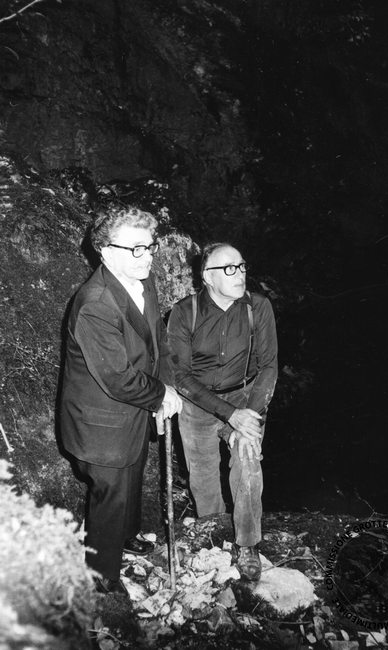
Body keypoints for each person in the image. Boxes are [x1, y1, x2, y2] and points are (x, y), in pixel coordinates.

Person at [59, 206, 182, 595]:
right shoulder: (95, 303)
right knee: (110, 493)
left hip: (133, 412)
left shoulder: (142, 280)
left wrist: (164, 388)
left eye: (150, 245)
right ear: (105, 251)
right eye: (136, 248)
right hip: (101, 422)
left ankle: (126, 538)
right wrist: (161, 395)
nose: (147, 256)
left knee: (132, 475)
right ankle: (101, 574)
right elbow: (117, 378)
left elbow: (157, 342)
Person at [167, 242, 278, 581]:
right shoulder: (185, 312)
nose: (239, 274)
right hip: (198, 403)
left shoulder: (258, 307)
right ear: (207, 277)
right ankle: (213, 533)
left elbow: (269, 367)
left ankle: (248, 543)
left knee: (247, 460)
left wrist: (250, 415)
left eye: (241, 266)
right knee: (202, 475)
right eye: (229, 269)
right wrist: (229, 414)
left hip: (245, 398)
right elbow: (179, 375)